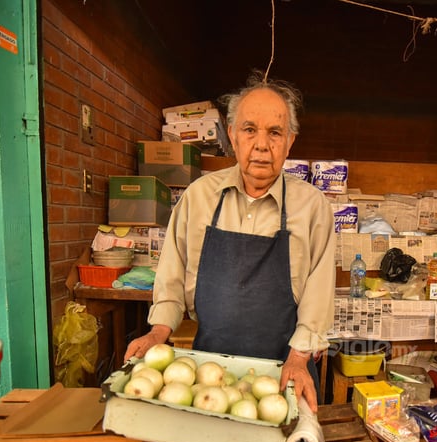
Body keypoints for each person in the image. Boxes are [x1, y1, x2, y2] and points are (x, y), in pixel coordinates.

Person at [124, 72, 336, 413]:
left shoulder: (312, 208)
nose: (262, 145)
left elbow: (319, 295)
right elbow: (172, 276)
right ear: (233, 136)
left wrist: (299, 357)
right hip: (210, 378)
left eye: (275, 132)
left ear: (290, 141)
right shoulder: (199, 197)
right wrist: (157, 332)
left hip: (285, 376)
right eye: (250, 130)